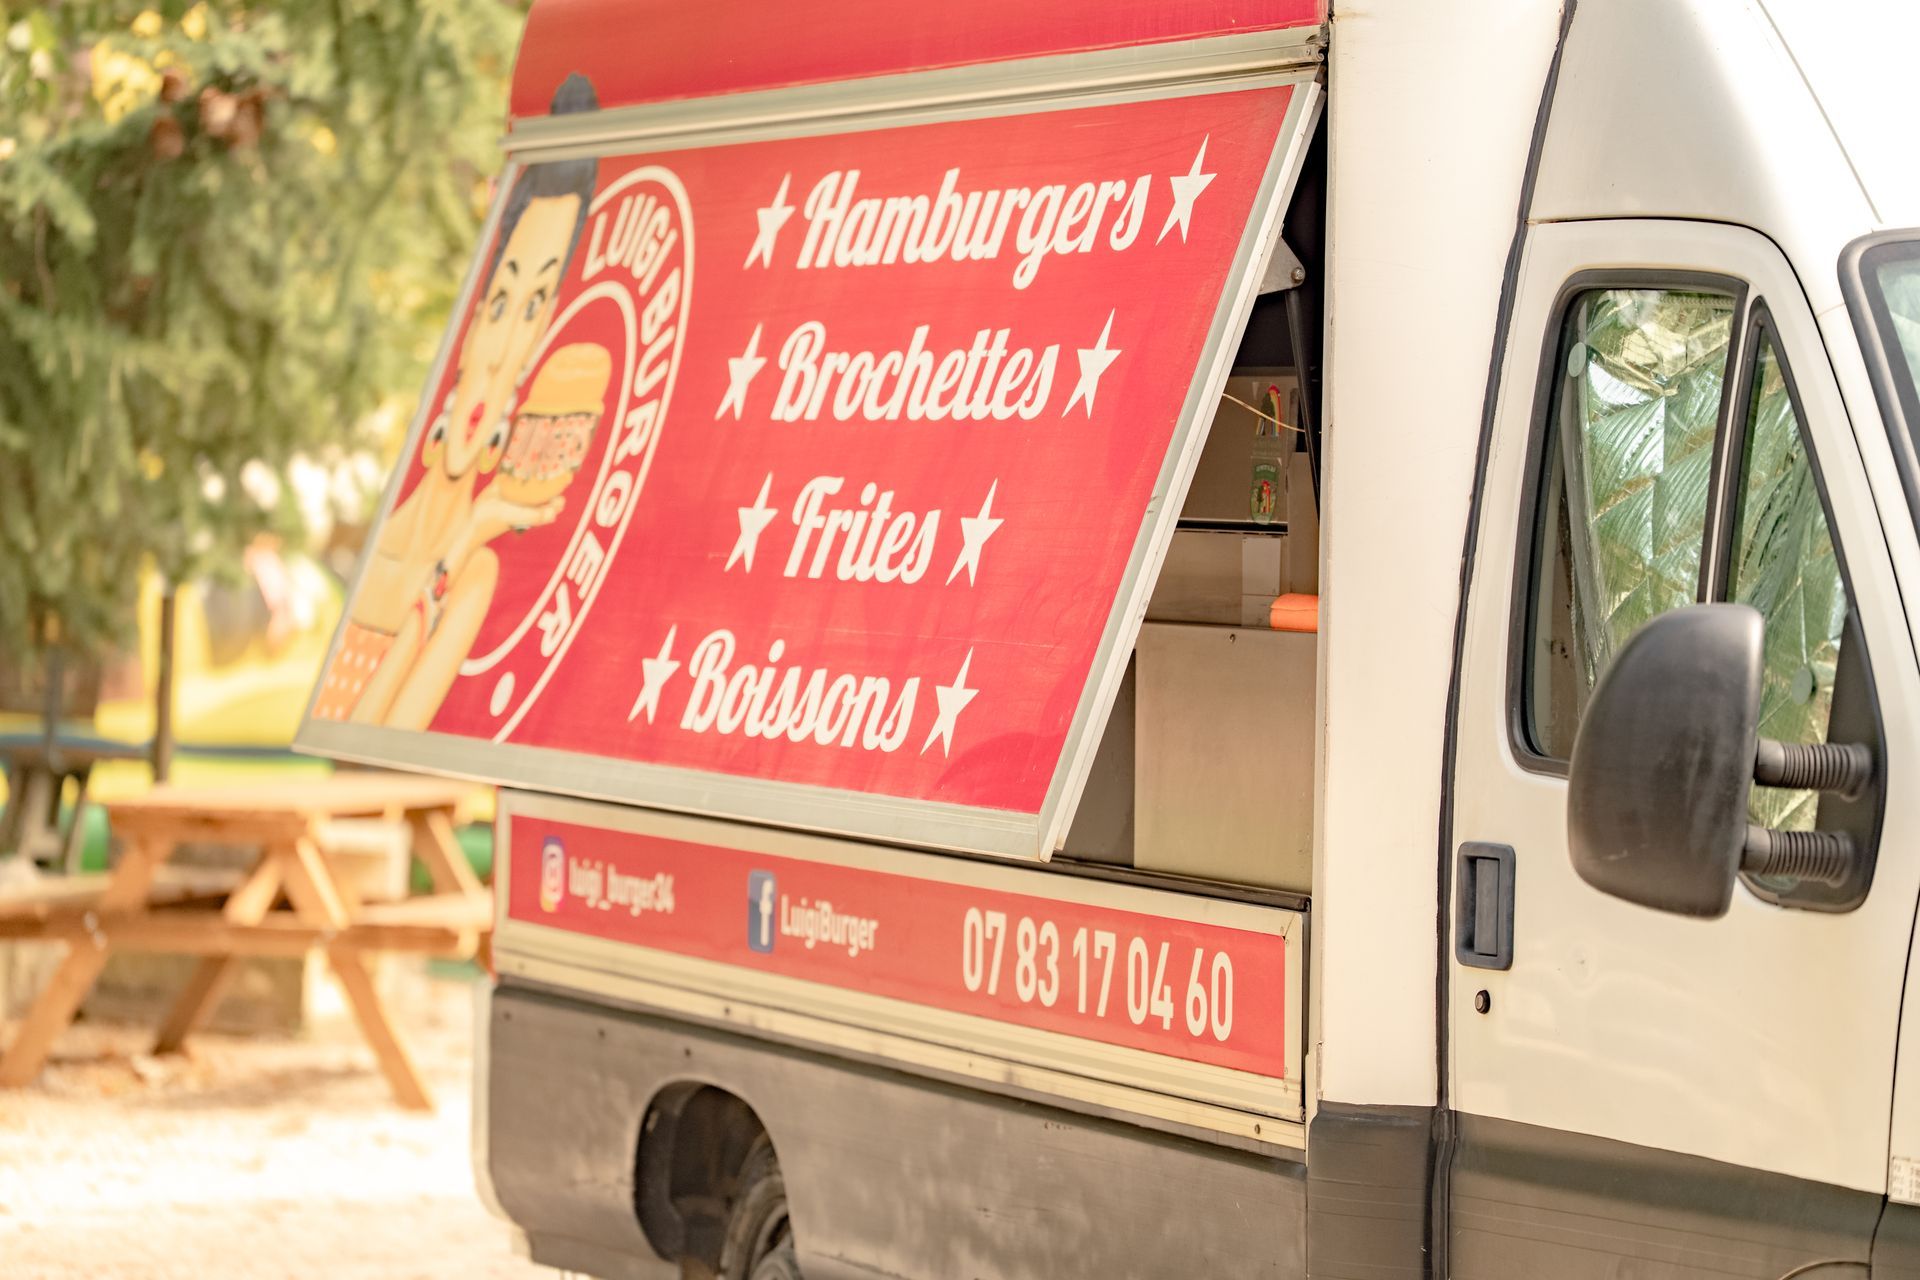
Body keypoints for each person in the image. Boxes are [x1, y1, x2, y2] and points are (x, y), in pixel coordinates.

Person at [312, 74, 601, 729]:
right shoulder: (392, 523)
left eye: (534, 309)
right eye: (499, 303)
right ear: (469, 330)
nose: (500, 355)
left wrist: (468, 534)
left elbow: (377, 738)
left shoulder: (476, 568)